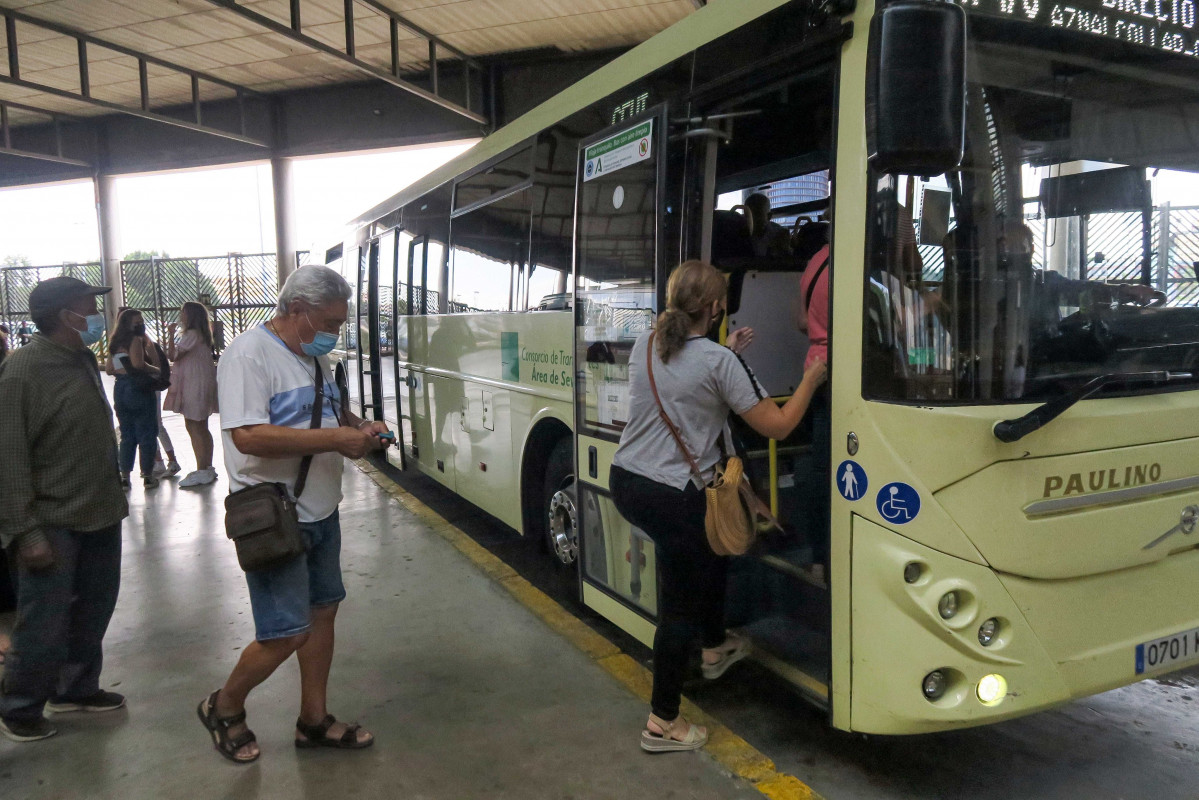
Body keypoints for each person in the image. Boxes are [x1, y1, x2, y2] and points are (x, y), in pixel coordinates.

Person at [608, 260, 827, 753]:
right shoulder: (717, 363)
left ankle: (713, 647)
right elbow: (777, 426)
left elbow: (683, 378)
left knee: (708, 552)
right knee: (677, 606)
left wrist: (723, 354)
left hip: (628, 482)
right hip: (671, 493)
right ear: (715, 308)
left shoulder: (647, 344)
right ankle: (663, 722)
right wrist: (811, 377)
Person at [198, 265, 390, 764]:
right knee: (285, 632)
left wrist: (358, 429)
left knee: (322, 612)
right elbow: (249, 436)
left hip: (321, 510)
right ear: (296, 311)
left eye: (340, 324)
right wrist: (334, 439)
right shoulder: (248, 355)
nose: (335, 333)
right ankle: (224, 705)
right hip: (275, 517)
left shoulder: (310, 356)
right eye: (329, 323)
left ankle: (313, 719)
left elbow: (324, 413)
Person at [0, 276, 128, 742]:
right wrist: (24, 531)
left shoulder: (79, 360)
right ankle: (20, 706)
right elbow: (9, 458)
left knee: (94, 608)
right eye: (86, 306)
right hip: (51, 520)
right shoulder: (22, 372)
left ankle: (74, 688)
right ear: (63, 316)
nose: (95, 315)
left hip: (99, 509)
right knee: (43, 621)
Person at [164, 301, 219, 487]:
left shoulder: (191, 335)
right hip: (200, 380)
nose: (181, 316)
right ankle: (206, 467)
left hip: (194, 383)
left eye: (183, 313)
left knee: (194, 425)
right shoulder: (202, 334)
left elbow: (173, 356)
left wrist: (170, 335)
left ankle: (202, 469)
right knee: (201, 425)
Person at [109, 309, 163, 490]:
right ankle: (148, 476)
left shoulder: (115, 342)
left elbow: (109, 369)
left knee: (127, 435)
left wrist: (122, 370)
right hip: (137, 388)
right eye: (137, 322)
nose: (140, 324)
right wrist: (156, 369)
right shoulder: (135, 340)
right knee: (146, 432)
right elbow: (138, 364)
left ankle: (124, 476)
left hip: (120, 389)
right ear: (128, 324)